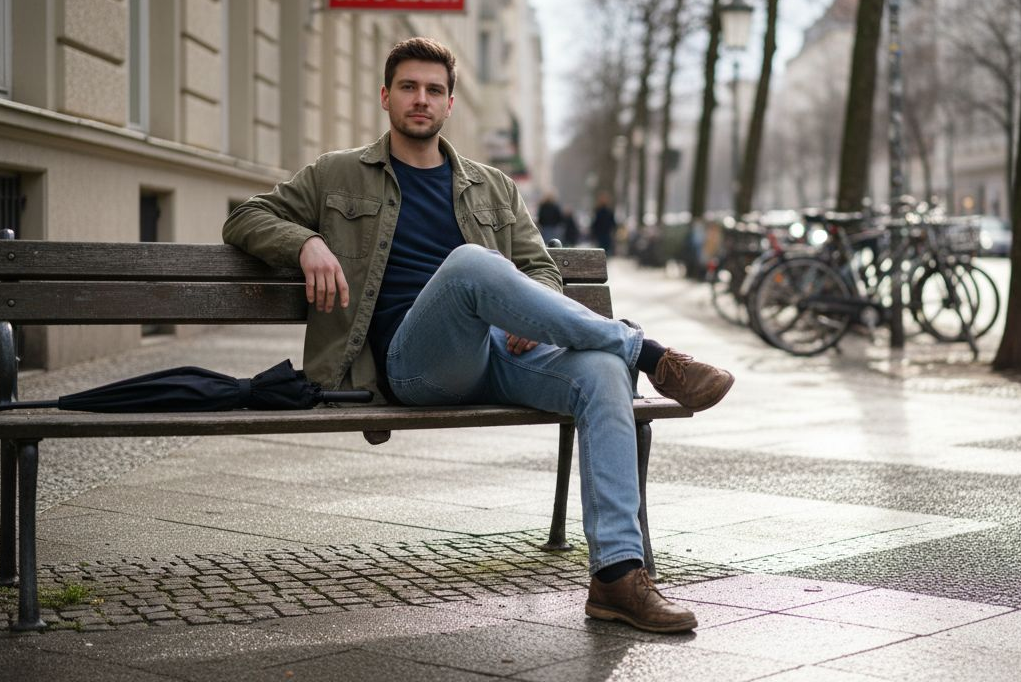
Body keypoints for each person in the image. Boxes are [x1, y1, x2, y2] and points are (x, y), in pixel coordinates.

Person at [224, 38, 734, 633]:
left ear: (450, 103)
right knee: (471, 264)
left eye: (434, 90)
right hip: (413, 366)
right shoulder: (336, 174)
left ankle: (617, 577)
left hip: (497, 354)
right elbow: (245, 217)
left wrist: (527, 314)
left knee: (598, 374)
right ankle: (647, 352)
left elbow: (540, 271)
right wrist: (306, 241)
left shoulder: (491, 186)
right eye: (409, 88)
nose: (422, 99)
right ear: (386, 96)